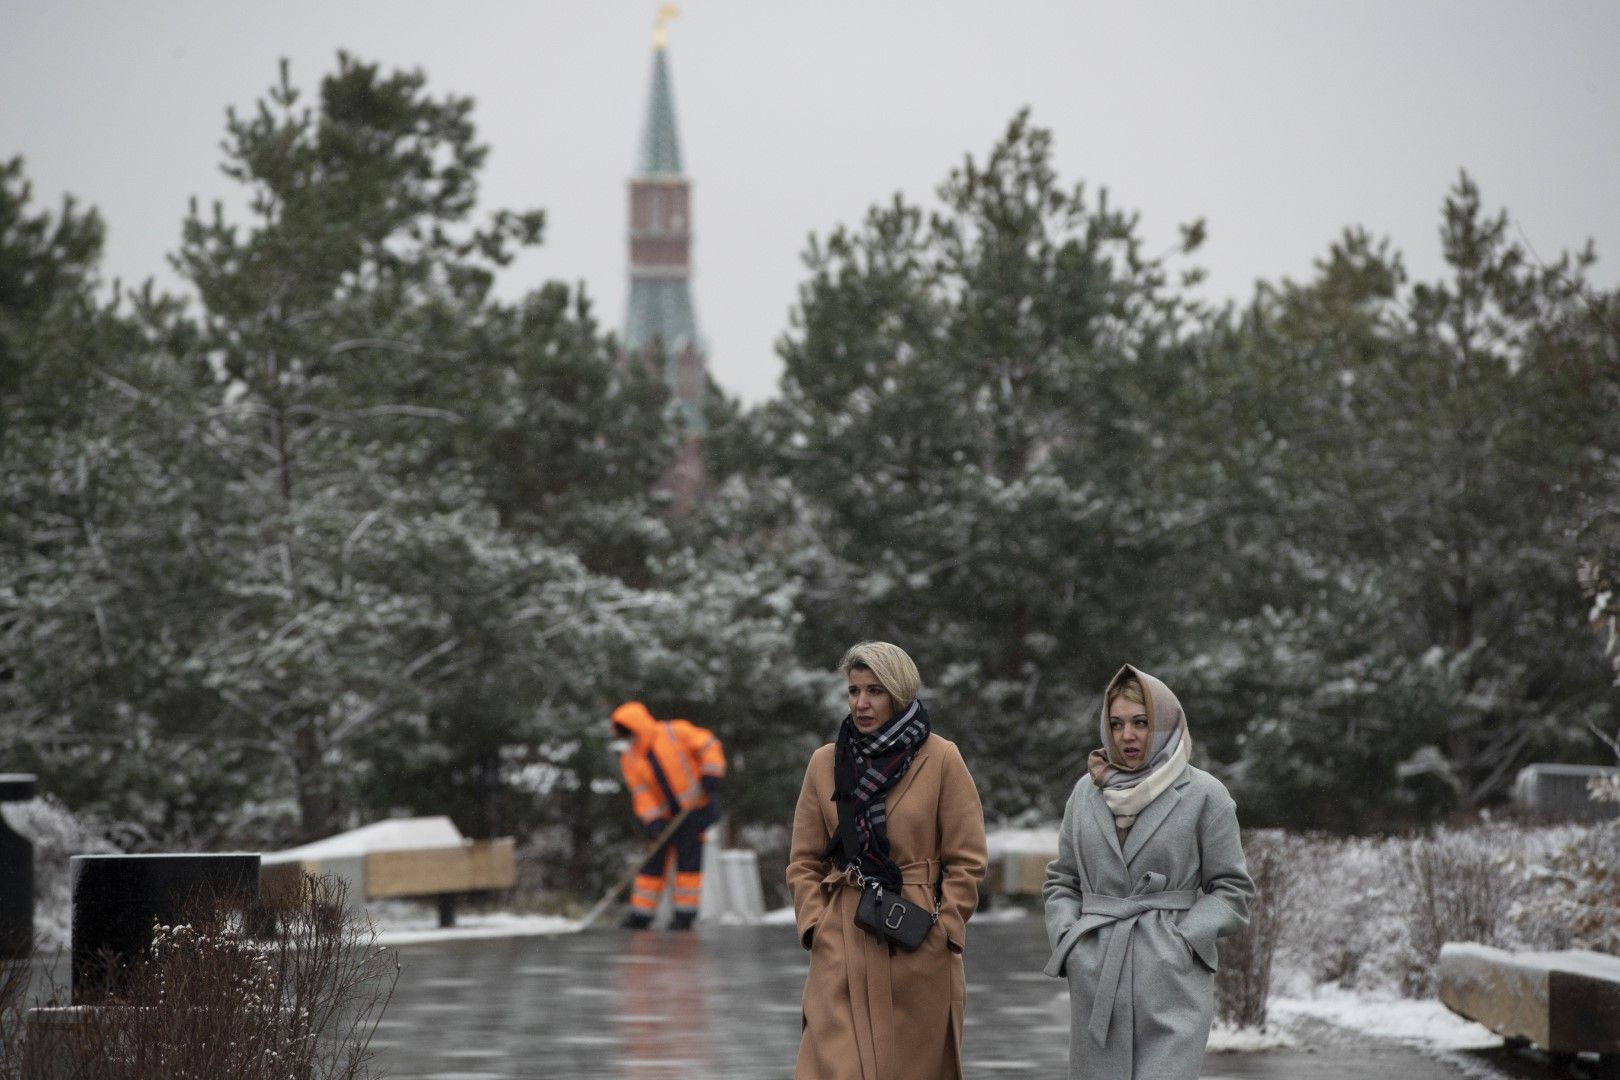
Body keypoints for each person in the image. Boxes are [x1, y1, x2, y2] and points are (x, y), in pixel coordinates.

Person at [1042, 664, 1255, 1080]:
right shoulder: (1085, 793)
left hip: (1172, 978)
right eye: (1117, 724)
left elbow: (1231, 889)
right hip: (1098, 970)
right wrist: (1069, 938)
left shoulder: (1204, 795)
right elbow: (1062, 880)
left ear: (1166, 725)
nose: (1128, 735)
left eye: (1141, 723)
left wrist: (1185, 940)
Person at [786, 641, 987, 1080]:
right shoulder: (825, 763)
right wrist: (816, 925)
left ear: (898, 692)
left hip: (916, 936)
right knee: (834, 1066)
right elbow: (803, 860)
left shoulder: (941, 758)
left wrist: (946, 930)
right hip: (843, 933)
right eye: (854, 691)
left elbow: (967, 858)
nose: (861, 703)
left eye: (874, 691)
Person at [609, 700, 726, 930]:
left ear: (637, 727)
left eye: (627, 732)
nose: (626, 739)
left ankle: (684, 916)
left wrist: (711, 771)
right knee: (652, 863)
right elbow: (641, 794)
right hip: (664, 818)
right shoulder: (630, 759)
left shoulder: (675, 732)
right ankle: (641, 915)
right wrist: (652, 821)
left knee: (688, 863)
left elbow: (708, 745)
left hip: (694, 810)